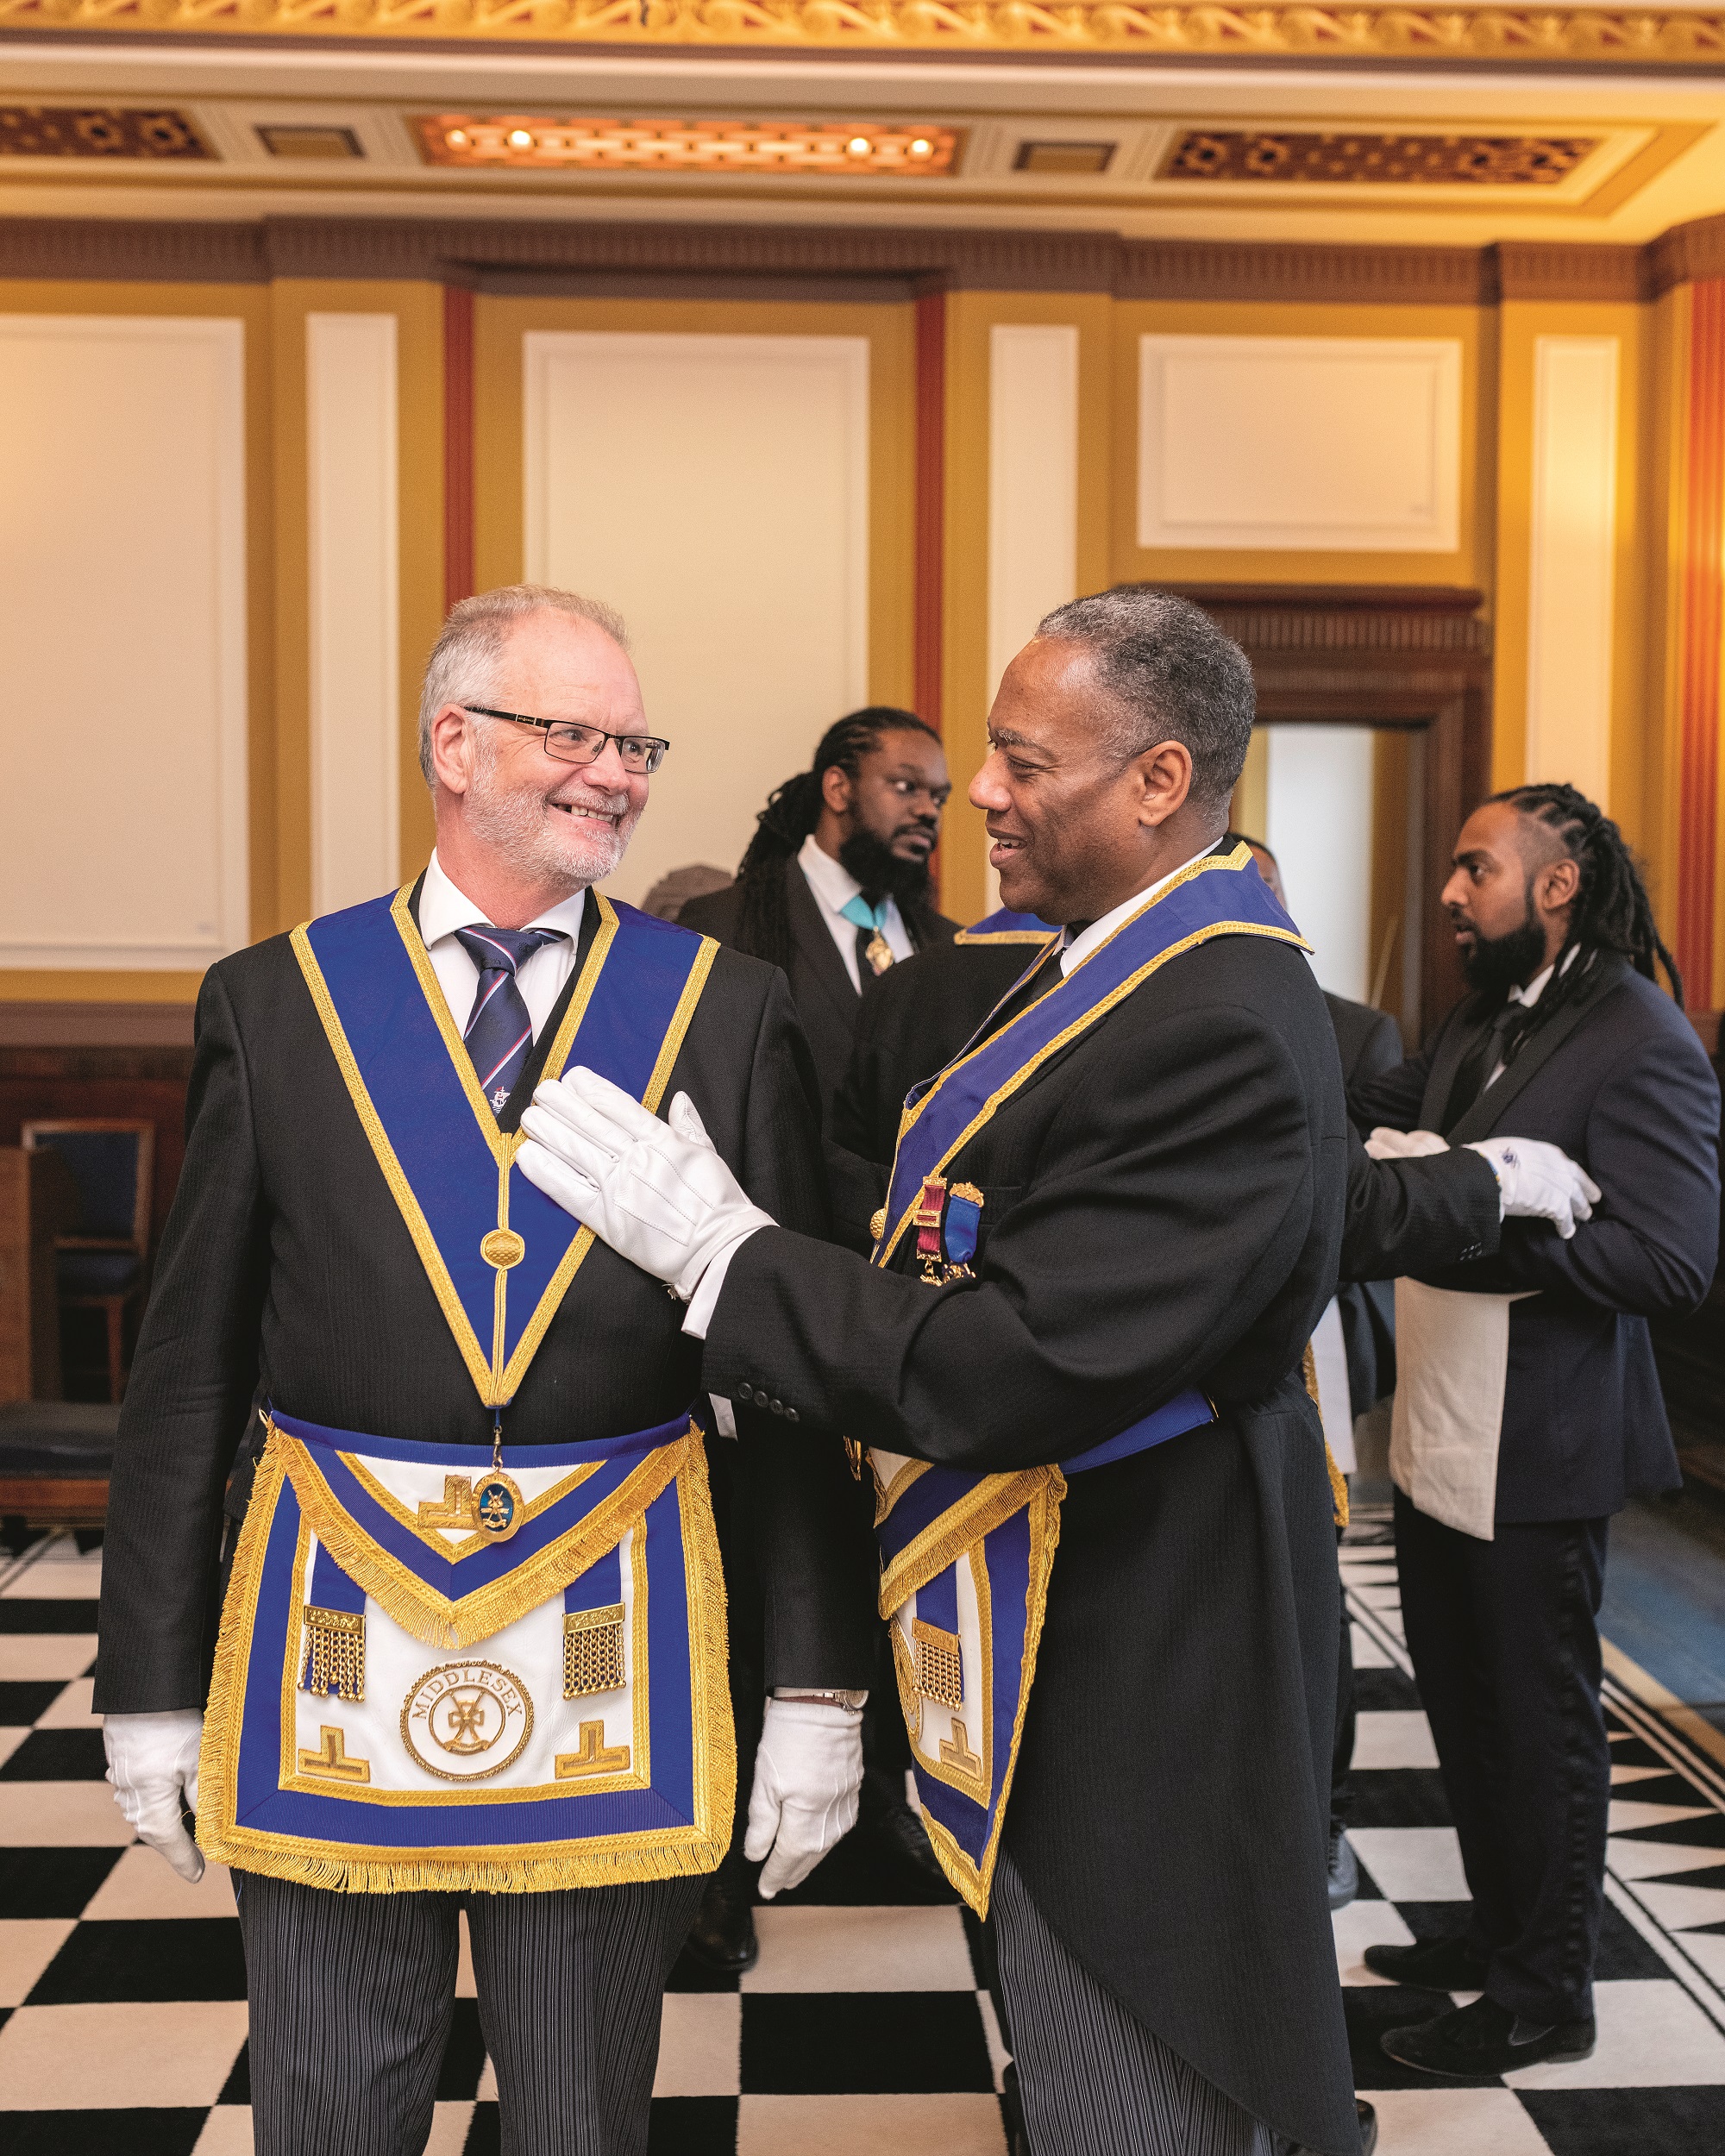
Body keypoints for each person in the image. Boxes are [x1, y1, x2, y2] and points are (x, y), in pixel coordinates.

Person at [518, 586, 1366, 2156]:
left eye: (1024, 762)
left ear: (1159, 782)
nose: (979, 792)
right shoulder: (1119, 962)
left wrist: (724, 1254)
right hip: (1080, 1588)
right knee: (1067, 2031)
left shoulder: (1217, 1017)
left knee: (1138, 2041)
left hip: (1151, 1621)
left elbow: (1020, 1357)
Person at [92, 584, 874, 2156]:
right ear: (453, 743)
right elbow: (189, 1368)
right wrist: (150, 1687)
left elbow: (787, 1373)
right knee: (325, 2105)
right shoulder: (284, 1003)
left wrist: (814, 1682)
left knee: (584, 2117)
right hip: (332, 1630)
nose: (618, 773)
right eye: (572, 733)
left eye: (633, 740)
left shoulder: (725, 1009)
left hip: (617, 1630)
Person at [1348, 782, 1721, 2078]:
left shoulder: (1639, 1034)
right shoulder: (1486, 1014)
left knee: (1540, 1723)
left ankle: (1547, 1996)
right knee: (1464, 1705)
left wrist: (1493, 1225)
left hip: (1543, 1440)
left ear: (1556, 886)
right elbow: (1371, 1101)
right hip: (1445, 1423)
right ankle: (1500, 1933)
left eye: (1475, 869)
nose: (1452, 893)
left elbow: (1672, 1261)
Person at [681, 708, 957, 1118]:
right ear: (837, 788)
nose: (928, 811)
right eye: (905, 786)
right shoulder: (724, 924)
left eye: (938, 797)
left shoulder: (949, 944)